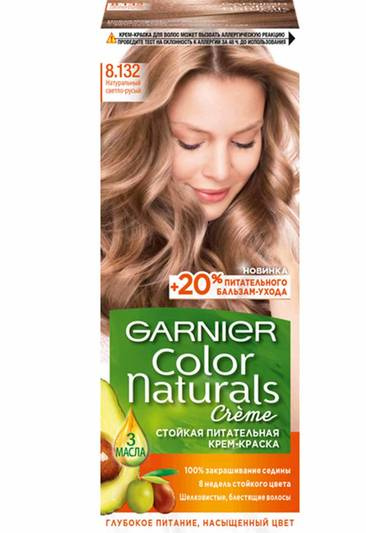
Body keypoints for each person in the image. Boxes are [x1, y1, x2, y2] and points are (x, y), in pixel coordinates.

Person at [101, 45, 299, 427]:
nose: (221, 171)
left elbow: (298, 437)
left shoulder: (282, 241)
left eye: (244, 142)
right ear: (141, 135)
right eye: (190, 143)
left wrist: (287, 290)